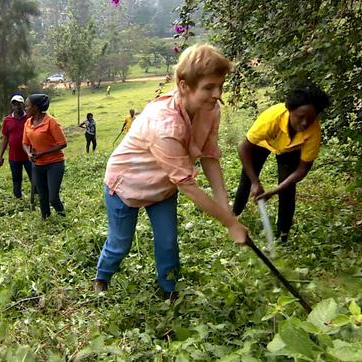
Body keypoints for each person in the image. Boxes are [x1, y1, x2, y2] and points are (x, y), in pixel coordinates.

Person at [93, 44, 248, 298]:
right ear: (184, 86)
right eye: (209, 87)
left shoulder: (210, 110)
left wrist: (225, 206)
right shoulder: (164, 123)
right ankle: (102, 278)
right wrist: (229, 223)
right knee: (120, 243)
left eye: (220, 86)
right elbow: (187, 184)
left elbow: (209, 155)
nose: (217, 94)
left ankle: (169, 290)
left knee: (168, 242)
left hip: (163, 186)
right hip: (125, 185)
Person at [233, 83, 330, 243]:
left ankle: (283, 235)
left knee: (287, 189)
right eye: (300, 116)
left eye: (310, 118)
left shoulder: (313, 132)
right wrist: (255, 183)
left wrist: (275, 190)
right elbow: (244, 148)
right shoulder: (271, 119)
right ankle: (233, 217)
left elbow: (302, 169)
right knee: (247, 179)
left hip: (290, 149)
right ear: (290, 111)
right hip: (264, 143)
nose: (305, 123)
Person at [22, 94, 67, 219]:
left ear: (35, 107)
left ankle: (63, 218)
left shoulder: (51, 122)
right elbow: (25, 143)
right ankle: (45, 219)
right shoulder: (28, 123)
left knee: (52, 197)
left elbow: (62, 143)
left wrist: (43, 153)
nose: (25, 108)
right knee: (42, 196)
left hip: (54, 164)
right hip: (38, 165)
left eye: (27, 106)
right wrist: (29, 154)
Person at [0, 95, 34, 200]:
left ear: (23, 105)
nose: (17, 106)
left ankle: (37, 196)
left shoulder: (29, 118)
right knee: (16, 179)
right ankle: (18, 198)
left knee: (34, 177)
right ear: (12, 106)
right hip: (14, 157)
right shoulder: (7, 120)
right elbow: (5, 138)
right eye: (14, 104)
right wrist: (0, 156)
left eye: (19, 103)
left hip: (29, 155)